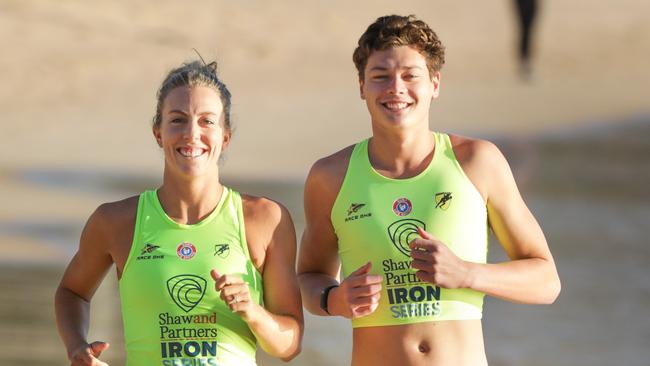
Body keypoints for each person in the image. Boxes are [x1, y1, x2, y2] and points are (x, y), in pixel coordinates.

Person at [297, 14, 560, 366]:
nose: (395, 88)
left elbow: (546, 280)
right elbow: (309, 277)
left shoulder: (476, 162)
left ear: (435, 84)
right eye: (380, 77)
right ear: (362, 87)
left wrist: (467, 273)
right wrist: (334, 300)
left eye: (410, 76)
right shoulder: (331, 176)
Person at [55, 60, 303, 365]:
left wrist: (253, 311)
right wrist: (77, 347)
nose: (191, 133)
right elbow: (72, 292)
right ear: (158, 133)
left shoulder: (265, 220)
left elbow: (290, 345)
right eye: (177, 120)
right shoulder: (116, 222)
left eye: (207, 121)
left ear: (225, 137)